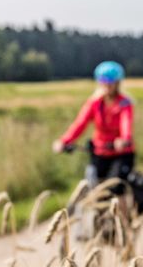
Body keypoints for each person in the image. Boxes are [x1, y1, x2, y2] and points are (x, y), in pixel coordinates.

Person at [53, 60, 135, 197]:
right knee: (93, 185)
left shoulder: (125, 103)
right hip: (99, 151)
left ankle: (123, 217)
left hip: (121, 153)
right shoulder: (94, 103)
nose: (107, 85)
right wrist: (64, 141)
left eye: (111, 82)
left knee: (115, 189)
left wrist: (124, 139)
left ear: (118, 83)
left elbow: (126, 123)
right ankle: (98, 216)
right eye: (103, 81)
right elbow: (80, 123)